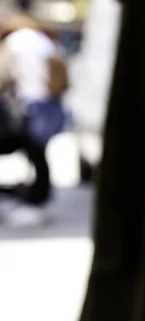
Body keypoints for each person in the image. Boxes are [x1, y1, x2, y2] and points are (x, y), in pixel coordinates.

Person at [0, 13, 69, 226]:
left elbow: (2, 74)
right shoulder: (39, 39)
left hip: (32, 102)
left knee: (35, 152)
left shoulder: (14, 42)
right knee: (38, 153)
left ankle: (37, 201)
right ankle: (38, 200)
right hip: (50, 100)